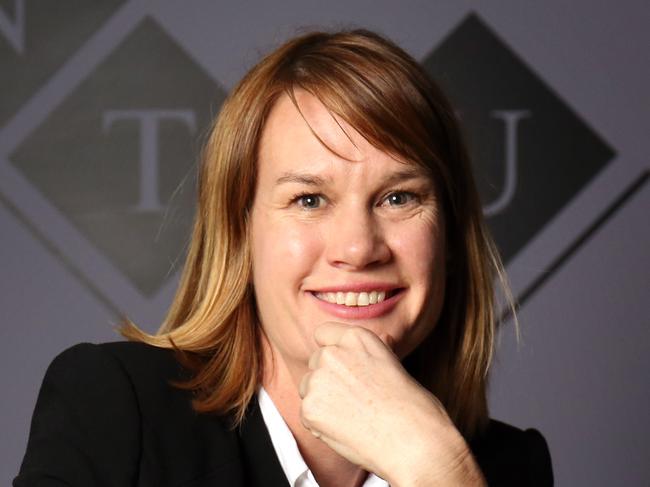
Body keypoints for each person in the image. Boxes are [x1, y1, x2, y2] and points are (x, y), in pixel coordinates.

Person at [14, 29, 553, 486]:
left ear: (450, 239)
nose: (358, 247)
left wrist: (435, 468)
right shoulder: (115, 409)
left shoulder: (504, 466)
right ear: (240, 232)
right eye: (309, 199)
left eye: (398, 197)